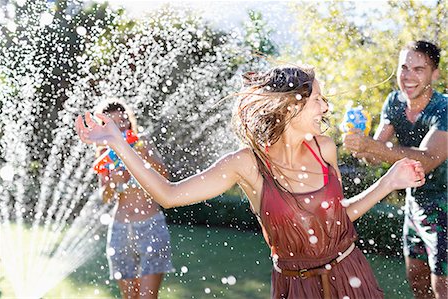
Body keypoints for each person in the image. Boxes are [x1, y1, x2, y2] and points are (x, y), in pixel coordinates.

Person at [77, 66, 425, 299]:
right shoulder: (247, 164)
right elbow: (169, 194)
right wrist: (117, 143)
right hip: (297, 286)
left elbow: (338, 216)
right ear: (290, 107)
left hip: (352, 274)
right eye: (318, 99)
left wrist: (390, 182)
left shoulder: (325, 149)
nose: (326, 107)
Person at [343, 40, 447, 298]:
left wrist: (371, 146)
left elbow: (429, 158)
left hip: (446, 209)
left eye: (418, 69)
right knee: (418, 282)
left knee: (442, 288)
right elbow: (375, 157)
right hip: (415, 207)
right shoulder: (394, 102)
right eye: (404, 67)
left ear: (435, 74)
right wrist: (361, 143)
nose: (408, 76)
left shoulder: (444, 108)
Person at [94, 99, 173, 299]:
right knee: (129, 297)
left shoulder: (141, 142)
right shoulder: (106, 154)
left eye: (123, 121)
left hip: (151, 226)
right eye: (114, 123)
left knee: (147, 297)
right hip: (120, 230)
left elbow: (166, 178)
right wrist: (113, 182)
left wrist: (143, 157)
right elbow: (105, 197)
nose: (121, 126)